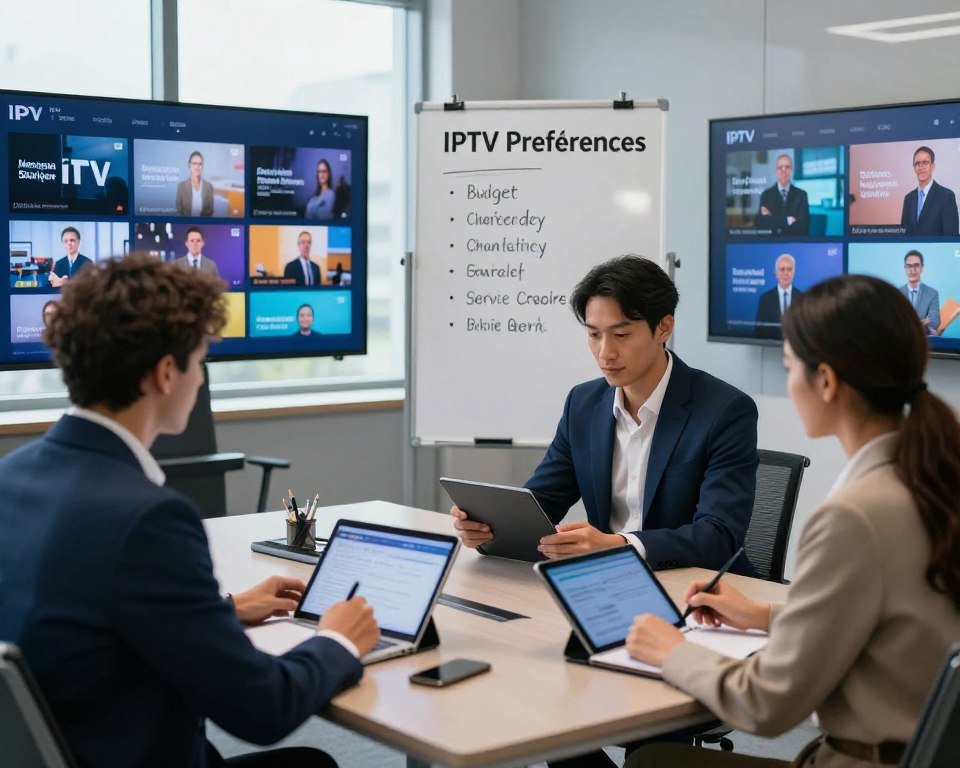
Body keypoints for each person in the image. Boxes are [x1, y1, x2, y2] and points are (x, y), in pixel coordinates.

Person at [0, 254, 380, 768]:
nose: (200, 379)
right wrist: (339, 640)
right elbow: (262, 710)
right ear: (164, 373)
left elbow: (85, 619)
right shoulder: (148, 520)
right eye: (199, 361)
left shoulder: (12, 476)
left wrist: (221, 612)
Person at [624, 274, 960, 768]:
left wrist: (672, 650)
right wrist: (765, 617)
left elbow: (767, 705)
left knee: (654, 762)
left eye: (788, 367)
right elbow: (894, 625)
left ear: (825, 381)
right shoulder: (932, 477)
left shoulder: (856, 515)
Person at [452, 256, 758, 573]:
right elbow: (543, 501)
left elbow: (719, 536)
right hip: (607, 580)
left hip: (698, 591)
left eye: (621, 335)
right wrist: (490, 529)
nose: (605, 353)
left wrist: (619, 546)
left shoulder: (724, 411)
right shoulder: (583, 404)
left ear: (664, 327)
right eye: (594, 335)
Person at [900, 146, 959, 236]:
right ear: (914, 168)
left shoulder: (946, 196)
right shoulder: (908, 199)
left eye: (925, 163)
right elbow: (904, 235)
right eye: (917, 163)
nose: (921, 167)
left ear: (932, 166)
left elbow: (950, 237)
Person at [755, 154, 809, 236]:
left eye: (787, 167)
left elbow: (803, 227)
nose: (784, 170)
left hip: (793, 243)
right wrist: (788, 220)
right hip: (771, 243)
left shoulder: (802, 195)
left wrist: (773, 219)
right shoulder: (766, 195)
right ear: (776, 170)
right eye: (780, 167)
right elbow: (762, 224)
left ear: (792, 170)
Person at [755, 253, 802, 339]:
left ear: (794, 272)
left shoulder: (802, 298)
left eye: (789, 269)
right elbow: (758, 330)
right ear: (776, 273)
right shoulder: (765, 299)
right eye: (782, 269)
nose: (786, 273)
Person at [899, 249, 940, 336]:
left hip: (923, 340)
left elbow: (934, 321)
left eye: (916, 265)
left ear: (922, 268)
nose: (912, 270)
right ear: (905, 269)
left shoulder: (932, 293)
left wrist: (906, 323)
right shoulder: (897, 293)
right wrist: (924, 321)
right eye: (909, 266)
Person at [175, 150, 215, 217]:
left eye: (200, 164)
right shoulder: (181, 187)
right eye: (194, 163)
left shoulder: (209, 187)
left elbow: (210, 212)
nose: (197, 166)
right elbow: (179, 212)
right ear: (189, 166)